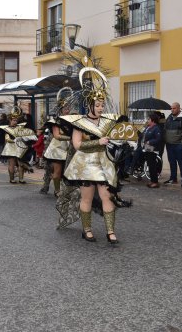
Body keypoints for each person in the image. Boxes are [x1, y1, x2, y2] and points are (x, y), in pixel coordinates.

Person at [57, 66, 122, 244]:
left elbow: (116, 136)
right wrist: (97, 142)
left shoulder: (108, 122)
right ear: (90, 105)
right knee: (86, 197)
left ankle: (110, 231)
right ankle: (87, 229)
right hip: (85, 164)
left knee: (106, 196)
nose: (101, 108)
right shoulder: (80, 123)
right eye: (98, 105)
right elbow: (77, 144)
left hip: (103, 163)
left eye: (102, 105)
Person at [43, 88, 72, 197]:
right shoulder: (55, 121)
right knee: (57, 171)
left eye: (68, 108)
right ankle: (56, 190)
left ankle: (66, 189)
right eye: (65, 108)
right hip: (57, 150)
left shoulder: (72, 121)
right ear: (60, 109)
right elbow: (57, 136)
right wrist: (70, 138)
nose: (67, 110)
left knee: (68, 172)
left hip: (69, 149)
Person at [0, 106, 36, 184]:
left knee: (21, 163)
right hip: (11, 147)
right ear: (10, 120)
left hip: (19, 147)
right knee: (12, 163)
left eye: (16, 120)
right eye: (14, 120)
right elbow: (7, 138)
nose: (15, 121)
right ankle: (12, 179)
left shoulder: (21, 127)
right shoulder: (7, 128)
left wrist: (22, 138)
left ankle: (21, 179)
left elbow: (26, 134)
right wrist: (14, 140)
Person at [164, 102, 182, 187]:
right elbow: (165, 129)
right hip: (169, 144)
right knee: (172, 162)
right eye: (171, 108)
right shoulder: (169, 118)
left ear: (179, 108)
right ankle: (173, 178)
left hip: (179, 144)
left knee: (181, 162)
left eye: (174, 108)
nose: (172, 110)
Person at [143, 113, 162, 188]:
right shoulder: (148, 127)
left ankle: (155, 182)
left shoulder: (156, 128)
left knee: (152, 166)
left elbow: (158, 139)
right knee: (150, 165)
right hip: (147, 148)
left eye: (149, 119)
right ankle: (152, 181)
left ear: (153, 120)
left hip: (153, 149)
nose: (147, 120)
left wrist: (149, 142)